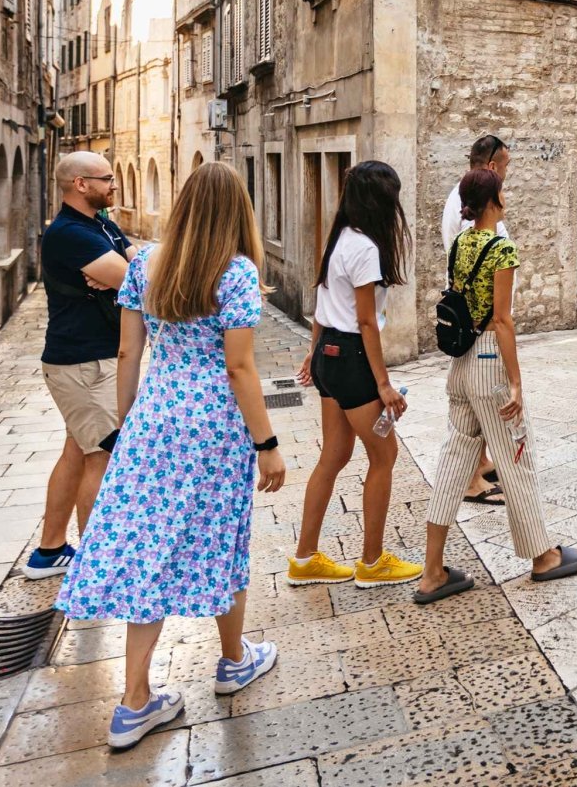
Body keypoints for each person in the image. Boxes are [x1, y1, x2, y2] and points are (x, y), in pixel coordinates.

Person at [55, 162, 286, 750]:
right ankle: (233, 661)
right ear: (237, 211)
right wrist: (268, 445)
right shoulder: (236, 272)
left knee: (146, 544)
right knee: (224, 535)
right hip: (213, 425)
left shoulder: (147, 264)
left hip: (154, 415)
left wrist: (127, 423)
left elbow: (128, 353)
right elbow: (239, 367)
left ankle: (134, 700)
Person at [417, 169, 577, 603]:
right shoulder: (501, 249)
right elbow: (502, 319)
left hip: (460, 365)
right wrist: (516, 382)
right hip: (489, 359)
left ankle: (432, 570)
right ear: (494, 199)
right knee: (516, 456)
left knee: (453, 463)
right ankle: (543, 557)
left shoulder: (460, 243)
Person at [289, 161, 423, 589]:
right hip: (351, 358)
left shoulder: (340, 239)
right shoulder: (365, 248)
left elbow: (323, 305)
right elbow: (366, 322)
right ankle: (372, 562)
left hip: (329, 354)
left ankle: (304, 558)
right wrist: (383, 384)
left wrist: (313, 355)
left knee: (333, 456)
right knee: (384, 456)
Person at [23, 151, 136, 579]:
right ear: (81, 184)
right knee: (103, 456)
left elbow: (138, 265)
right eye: (107, 178)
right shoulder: (70, 234)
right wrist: (125, 275)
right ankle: (96, 567)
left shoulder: (101, 225)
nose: (114, 184)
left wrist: (124, 273)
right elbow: (140, 280)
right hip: (84, 364)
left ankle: (50, 551)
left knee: (78, 452)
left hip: (90, 361)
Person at [439, 134, 510, 506]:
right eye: (506, 167)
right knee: (478, 399)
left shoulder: (464, 197)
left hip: (478, 321)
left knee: (474, 397)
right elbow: (475, 267)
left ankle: (479, 464)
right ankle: (469, 479)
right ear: (493, 166)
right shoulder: (470, 208)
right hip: (479, 323)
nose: (507, 176)